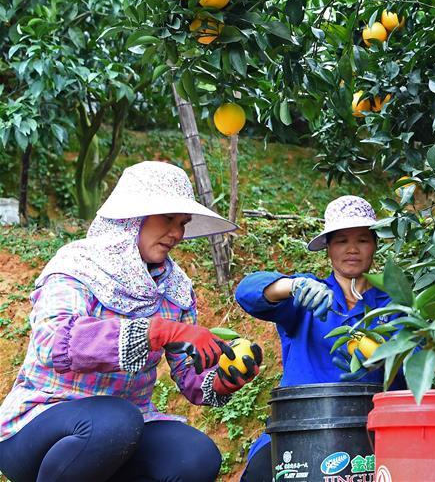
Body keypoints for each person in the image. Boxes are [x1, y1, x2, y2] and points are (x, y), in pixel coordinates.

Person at [0, 161, 264, 482]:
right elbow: (52, 343)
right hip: (41, 423)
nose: (178, 233)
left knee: (195, 456)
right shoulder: (78, 265)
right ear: (132, 218)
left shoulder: (176, 288)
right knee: (114, 421)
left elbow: (190, 378)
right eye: (168, 219)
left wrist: (224, 377)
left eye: (183, 223)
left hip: (126, 428)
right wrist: (157, 331)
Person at [235, 195, 405, 482]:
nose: (352, 249)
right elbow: (247, 293)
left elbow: (411, 360)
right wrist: (291, 285)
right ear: (328, 248)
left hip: (372, 430)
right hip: (299, 426)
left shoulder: (394, 305)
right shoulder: (307, 297)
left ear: (375, 244)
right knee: (262, 471)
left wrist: (384, 360)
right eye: (341, 241)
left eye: (362, 239)